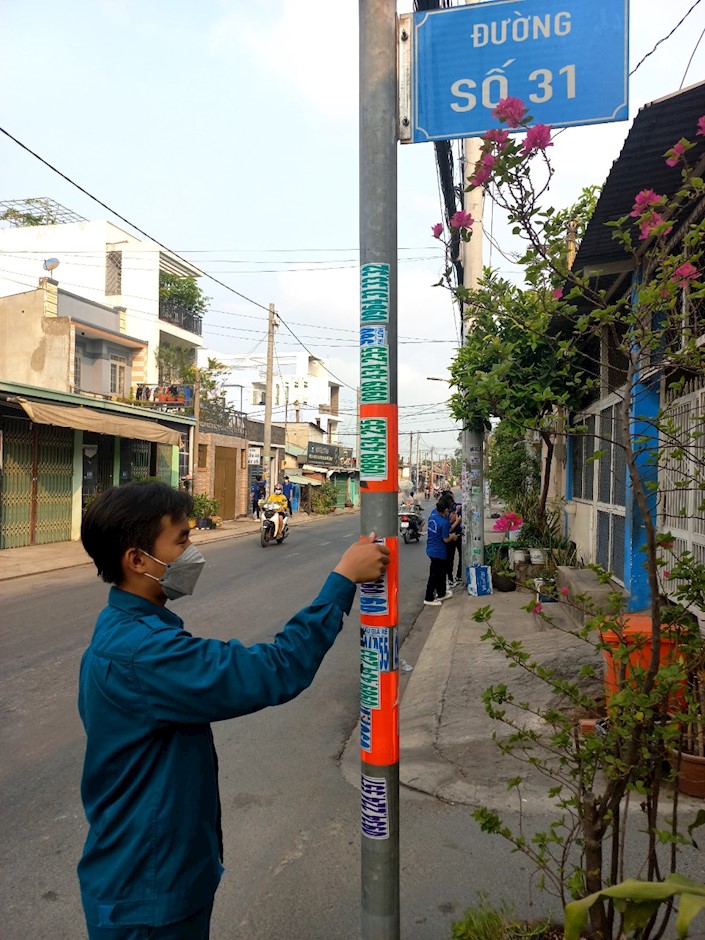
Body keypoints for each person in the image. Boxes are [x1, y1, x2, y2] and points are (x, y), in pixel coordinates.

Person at [77, 481, 389, 940]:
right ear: (137, 560)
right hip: (149, 893)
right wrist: (341, 580)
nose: (193, 551)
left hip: (145, 875)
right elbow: (277, 669)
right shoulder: (144, 651)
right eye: (181, 540)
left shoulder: (121, 629)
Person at [423, 496, 458, 607]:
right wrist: (452, 537)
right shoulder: (444, 522)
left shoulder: (433, 516)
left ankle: (441, 593)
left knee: (442, 572)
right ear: (446, 510)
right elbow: (445, 539)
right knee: (434, 575)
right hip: (438, 551)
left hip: (431, 548)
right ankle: (428, 597)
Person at [445, 500, 463, 588]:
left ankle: (458, 576)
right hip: (451, 537)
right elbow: (449, 529)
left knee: (461, 556)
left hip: (458, 536)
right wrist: (456, 521)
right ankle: (450, 578)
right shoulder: (445, 515)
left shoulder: (457, 506)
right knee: (450, 558)